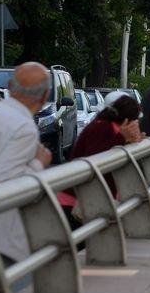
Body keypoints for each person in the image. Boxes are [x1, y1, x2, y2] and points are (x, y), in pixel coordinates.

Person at [0, 62, 54, 263]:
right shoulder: (24, 128)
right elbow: (5, 182)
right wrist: (39, 163)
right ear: (44, 96)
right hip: (3, 235)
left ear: (9, 85)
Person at [58, 92, 143, 227]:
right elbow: (97, 158)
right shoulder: (102, 128)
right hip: (76, 201)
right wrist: (123, 138)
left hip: (87, 199)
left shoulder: (107, 127)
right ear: (127, 120)